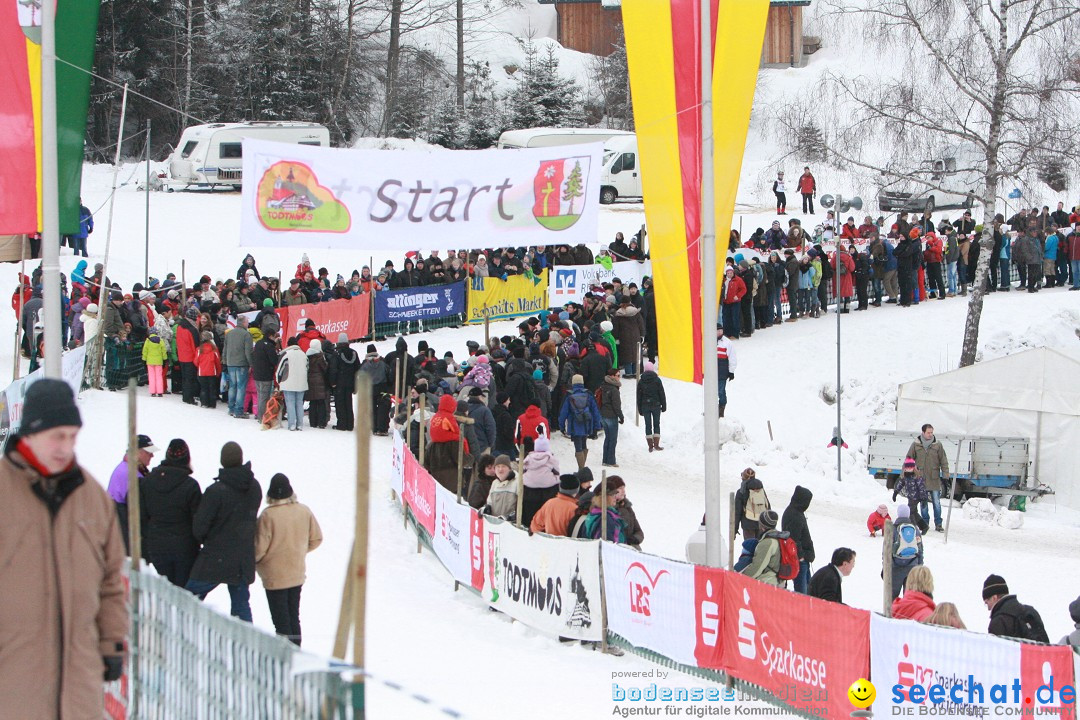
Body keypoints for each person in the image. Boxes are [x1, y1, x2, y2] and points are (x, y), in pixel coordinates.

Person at [0, 379, 128, 717]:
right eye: (57, 436)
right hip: (12, 686)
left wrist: (111, 642)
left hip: (78, 686)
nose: (65, 447)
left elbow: (112, 580)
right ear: (29, 433)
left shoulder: (91, 497)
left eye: (72, 436)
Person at [185, 442, 263, 622]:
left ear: (222, 461)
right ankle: (247, 644)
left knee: (189, 598)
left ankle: (182, 633)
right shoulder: (254, 487)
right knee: (241, 606)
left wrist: (208, 539)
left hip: (215, 557)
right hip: (242, 557)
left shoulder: (216, 491)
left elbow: (200, 527)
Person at [255, 473, 323, 646]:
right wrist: (298, 551)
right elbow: (316, 539)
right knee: (294, 617)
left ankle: (286, 657)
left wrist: (257, 562)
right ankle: (297, 652)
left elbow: (259, 549)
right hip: (296, 573)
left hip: (274, 577)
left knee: (281, 621)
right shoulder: (303, 511)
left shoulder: (267, 516)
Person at [140, 439, 202, 588]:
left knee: (166, 589)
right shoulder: (190, 486)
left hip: (156, 546)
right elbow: (198, 520)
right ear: (187, 459)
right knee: (182, 592)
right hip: (184, 547)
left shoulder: (147, 482)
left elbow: (142, 515)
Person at [107, 433, 159, 554]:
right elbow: (137, 506)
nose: (152, 455)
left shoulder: (132, 468)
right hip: (124, 529)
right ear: (137, 452)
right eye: (148, 452)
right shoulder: (130, 473)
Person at [906, 424, 949, 532]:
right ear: (923, 432)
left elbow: (943, 460)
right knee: (923, 503)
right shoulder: (916, 444)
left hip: (934, 478)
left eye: (932, 432)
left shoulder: (937, 445)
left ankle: (938, 524)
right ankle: (925, 523)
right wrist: (908, 473)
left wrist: (945, 475)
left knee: (936, 502)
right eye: (929, 432)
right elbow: (909, 459)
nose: (931, 434)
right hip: (920, 479)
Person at [983, 574, 1049, 642]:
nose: (988, 608)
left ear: (994, 598)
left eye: (987, 602)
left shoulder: (998, 621)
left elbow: (997, 650)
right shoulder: (1031, 611)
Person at [559, 374, 602, 471]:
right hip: (586, 424)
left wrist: (561, 426)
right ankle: (582, 466)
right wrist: (597, 425)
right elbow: (595, 411)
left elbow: (563, 412)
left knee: (577, 446)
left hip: (574, 424)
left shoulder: (569, 395)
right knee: (584, 444)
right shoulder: (588, 395)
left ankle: (581, 468)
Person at [520, 435, 560, 527]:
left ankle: (528, 526)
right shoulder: (551, 458)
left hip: (530, 491)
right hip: (549, 490)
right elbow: (557, 472)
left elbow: (523, 470)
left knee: (530, 513)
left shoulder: (529, 458)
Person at [741, 510, 788, 587]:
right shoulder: (779, 538)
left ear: (761, 525)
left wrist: (740, 578)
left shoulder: (768, 543)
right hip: (778, 582)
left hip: (768, 583)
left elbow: (757, 568)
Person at [781, 485, 814, 594]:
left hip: (803, 558)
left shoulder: (795, 511)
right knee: (802, 593)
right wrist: (801, 556)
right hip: (799, 560)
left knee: (808, 590)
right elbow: (794, 540)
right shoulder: (794, 515)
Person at [222, 315, 255, 418]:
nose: (248, 324)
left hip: (230, 363)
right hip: (242, 364)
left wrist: (225, 361)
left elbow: (225, 349)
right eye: (247, 322)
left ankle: (231, 408)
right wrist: (251, 364)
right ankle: (239, 410)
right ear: (243, 323)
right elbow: (248, 351)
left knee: (232, 386)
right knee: (241, 387)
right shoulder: (246, 335)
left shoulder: (229, 333)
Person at [890, 504, 924, 599]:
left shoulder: (892, 529)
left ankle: (892, 613)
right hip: (912, 567)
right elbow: (920, 548)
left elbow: (886, 551)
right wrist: (919, 565)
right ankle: (906, 613)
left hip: (895, 567)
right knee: (909, 598)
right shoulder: (914, 529)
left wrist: (887, 567)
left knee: (892, 598)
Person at [328, 334, 359, 431]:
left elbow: (333, 369)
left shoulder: (336, 353)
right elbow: (358, 369)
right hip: (351, 383)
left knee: (340, 404)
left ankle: (342, 424)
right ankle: (350, 424)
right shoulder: (354, 353)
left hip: (339, 383)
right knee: (349, 403)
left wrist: (333, 382)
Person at [277, 338, 309, 431]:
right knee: (299, 403)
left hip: (288, 382)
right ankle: (300, 424)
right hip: (301, 383)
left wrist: (279, 381)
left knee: (290, 403)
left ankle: (292, 424)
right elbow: (307, 368)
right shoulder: (304, 355)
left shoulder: (287, 355)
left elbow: (281, 369)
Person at [636, 360, 666, 452]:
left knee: (648, 425)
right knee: (657, 424)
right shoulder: (657, 380)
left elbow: (639, 396)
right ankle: (656, 444)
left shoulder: (641, 381)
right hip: (656, 405)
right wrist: (664, 405)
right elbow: (661, 393)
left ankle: (650, 446)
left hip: (645, 406)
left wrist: (639, 409)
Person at [598, 367, 624, 468]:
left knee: (607, 438)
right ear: (612, 376)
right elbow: (616, 405)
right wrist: (621, 416)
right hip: (611, 416)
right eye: (617, 375)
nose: (619, 378)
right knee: (612, 439)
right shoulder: (614, 389)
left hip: (603, 415)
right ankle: (611, 461)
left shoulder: (603, 386)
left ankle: (605, 459)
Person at [733, 468, 770, 540]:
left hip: (748, 525)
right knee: (760, 548)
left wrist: (734, 529)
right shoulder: (761, 489)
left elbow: (737, 512)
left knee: (749, 547)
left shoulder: (741, 491)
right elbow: (767, 505)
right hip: (761, 524)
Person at [484, 455, 518, 520]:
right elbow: (489, 502)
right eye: (498, 467)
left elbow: (520, 507)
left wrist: (510, 517)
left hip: (510, 525)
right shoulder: (494, 483)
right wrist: (486, 508)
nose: (500, 469)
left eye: (503, 466)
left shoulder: (517, 482)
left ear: (509, 469)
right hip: (494, 523)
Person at [716, 326, 737, 417]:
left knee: (721, 391)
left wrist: (731, 371)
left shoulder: (727, 343)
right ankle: (712, 408)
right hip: (712, 372)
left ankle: (721, 408)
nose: (719, 332)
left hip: (722, 372)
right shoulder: (708, 340)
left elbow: (732, 358)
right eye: (717, 331)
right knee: (711, 391)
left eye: (720, 330)